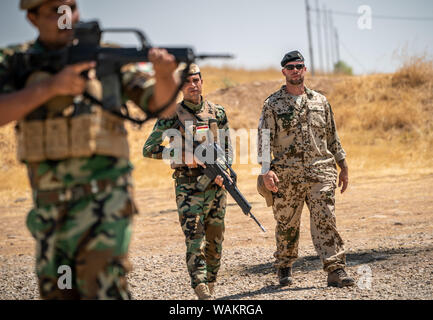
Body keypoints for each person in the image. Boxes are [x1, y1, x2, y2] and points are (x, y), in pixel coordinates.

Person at [0, 0, 179, 299]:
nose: (65, 16)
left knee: (102, 290)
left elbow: (161, 106)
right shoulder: (15, 60)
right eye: (54, 10)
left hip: (105, 204)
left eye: (71, 7)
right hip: (50, 210)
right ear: (32, 18)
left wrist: (164, 75)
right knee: (60, 290)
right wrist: (50, 88)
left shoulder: (107, 56)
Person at [257, 50, 355, 288]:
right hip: (286, 175)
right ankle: (284, 266)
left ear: (305, 69)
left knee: (326, 220)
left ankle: (336, 270)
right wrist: (266, 170)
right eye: (290, 67)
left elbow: (332, 135)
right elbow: (264, 139)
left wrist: (342, 165)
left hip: (320, 172)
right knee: (287, 223)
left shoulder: (320, 101)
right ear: (284, 72)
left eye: (299, 66)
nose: (295, 70)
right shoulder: (272, 104)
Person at [142, 63, 232, 299]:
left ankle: (210, 282)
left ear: (202, 81)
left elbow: (226, 149)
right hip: (188, 187)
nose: (193, 85)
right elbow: (149, 149)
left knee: (216, 239)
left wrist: (227, 171)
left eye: (196, 80)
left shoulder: (217, 112)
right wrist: (183, 156)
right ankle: (200, 286)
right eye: (187, 81)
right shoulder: (170, 115)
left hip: (216, 186)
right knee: (195, 238)